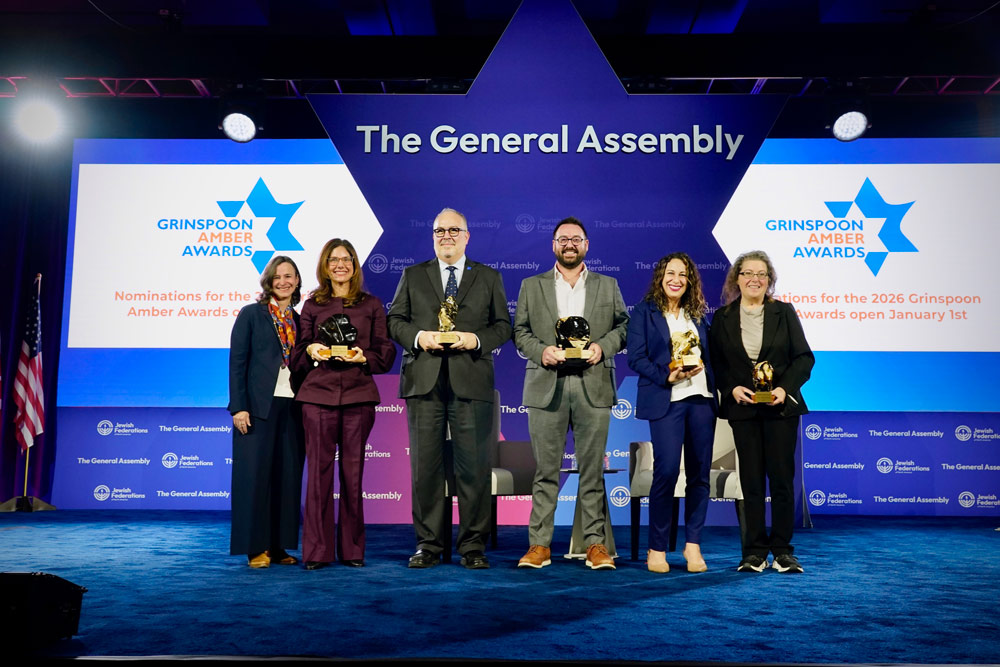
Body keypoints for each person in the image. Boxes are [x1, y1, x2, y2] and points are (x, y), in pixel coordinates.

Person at [387, 208, 512, 569]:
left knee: (473, 468)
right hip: (423, 380)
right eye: (439, 230)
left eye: (454, 230)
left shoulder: (488, 276)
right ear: (432, 236)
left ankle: (472, 546)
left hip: (470, 379)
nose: (446, 236)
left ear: (467, 236)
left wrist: (474, 339)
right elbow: (395, 321)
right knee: (425, 469)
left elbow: (503, 326)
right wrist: (418, 336)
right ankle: (428, 545)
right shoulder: (413, 274)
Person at [513, 217, 629, 570]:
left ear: (586, 245)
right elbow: (519, 332)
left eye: (576, 239)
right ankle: (539, 545)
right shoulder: (531, 285)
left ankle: (594, 545)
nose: (569, 244)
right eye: (562, 239)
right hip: (547, 383)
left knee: (591, 471)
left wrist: (603, 347)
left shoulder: (608, 286)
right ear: (553, 245)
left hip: (593, 383)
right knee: (545, 471)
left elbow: (623, 326)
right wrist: (541, 351)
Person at [291, 239, 397, 570]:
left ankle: (352, 550)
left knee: (353, 474)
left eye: (346, 259)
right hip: (317, 398)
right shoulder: (312, 306)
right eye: (333, 260)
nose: (340, 265)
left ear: (354, 265)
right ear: (325, 265)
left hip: (358, 397)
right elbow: (299, 350)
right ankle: (316, 552)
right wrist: (312, 351)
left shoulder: (372, 305)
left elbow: (386, 352)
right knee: (318, 477)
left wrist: (363, 355)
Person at [709, 250, 814, 574]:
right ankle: (753, 552)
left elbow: (803, 358)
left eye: (761, 274)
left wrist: (784, 389)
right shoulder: (723, 317)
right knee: (751, 482)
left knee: (782, 480)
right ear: (737, 279)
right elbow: (718, 365)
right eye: (748, 273)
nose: (755, 279)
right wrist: (731, 389)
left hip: (780, 409)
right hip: (744, 411)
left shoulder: (784, 312)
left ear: (769, 280)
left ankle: (782, 551)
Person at [627, 253, 717, 573]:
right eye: (670, 273)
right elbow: (635, 357)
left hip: (702, 400)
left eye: (683, 274)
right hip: (667, 399)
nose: (676, 279)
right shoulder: (643, 312)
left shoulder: (698, 315)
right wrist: (666, 375)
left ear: (690, 280)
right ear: (660, 277)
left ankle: (692, 546)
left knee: (699, 475)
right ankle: (657, 548)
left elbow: (711, 355)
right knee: (666, 472)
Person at [228, 255, 306, 569]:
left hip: (293, 407)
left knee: (286, 479)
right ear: (269, 282)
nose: (284, 282)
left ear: (298, 281)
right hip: (257, 409)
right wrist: (239, 407)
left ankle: (277, 546)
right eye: (278, 277)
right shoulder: (251, 314)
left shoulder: (301, 320)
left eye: (289, 276)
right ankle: (254, 547)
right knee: (254, 480)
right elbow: (237, 363)